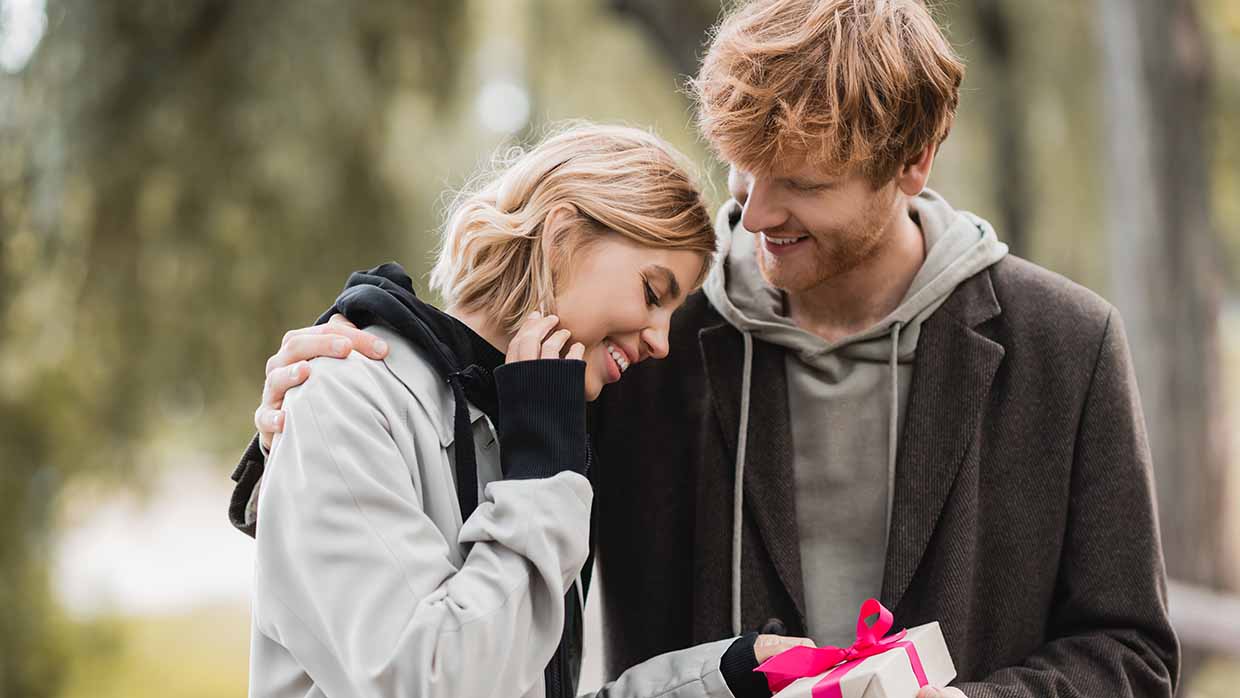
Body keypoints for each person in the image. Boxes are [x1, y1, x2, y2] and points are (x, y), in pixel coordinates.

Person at [246, 1, 1180, 697]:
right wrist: (308, 411)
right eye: (745, 169)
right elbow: (453, 529)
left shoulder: (1068, 346)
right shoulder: (644, 351)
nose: (756, 213)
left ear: (911, 163)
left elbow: (1131, 656)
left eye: (802, 184)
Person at [232, 123, 808, 698]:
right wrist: (540, 481)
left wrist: (728, 679)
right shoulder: (347, 399)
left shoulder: (528, 426)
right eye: (653, 294)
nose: (661, 341)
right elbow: (426, 681)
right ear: (561, 237)